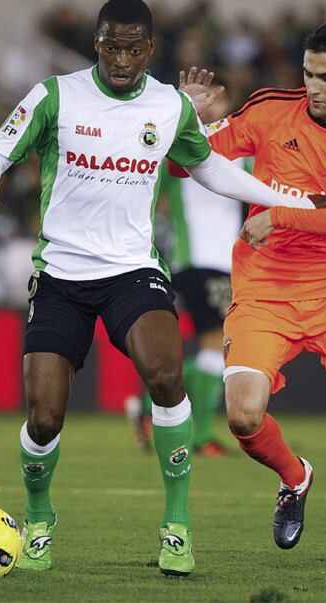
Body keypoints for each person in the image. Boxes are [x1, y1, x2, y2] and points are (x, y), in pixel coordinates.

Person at [0, 0, 325, 576]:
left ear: (150, 48)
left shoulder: (169, 106)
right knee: (45, 416)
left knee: (165, 374)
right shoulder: (57, 95)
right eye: (110, 45)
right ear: (96, 43)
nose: (121, 58)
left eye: (133, 47)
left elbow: (212, 169)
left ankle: (177, 526)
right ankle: (40, 518)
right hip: (61, 275)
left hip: (132, 269)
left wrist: (291, 199)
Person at [179, 20, 326, 550]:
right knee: (242, 415)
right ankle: (294, 477)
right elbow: (183, 167)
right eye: (308, 74)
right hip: (266, 287)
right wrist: (186, 120)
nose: (314, 88)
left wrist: (280, 215)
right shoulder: (270, 109)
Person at [128, 92, 247, 456]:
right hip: (194, 259)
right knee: (217, 346)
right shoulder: (177, 150)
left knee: (218, 349)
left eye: (220, 103)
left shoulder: (246, 156)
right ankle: (190, 430)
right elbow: (144, 192)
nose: (213, 109)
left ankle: (155, 410)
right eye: (206, 103)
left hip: (229, 262)